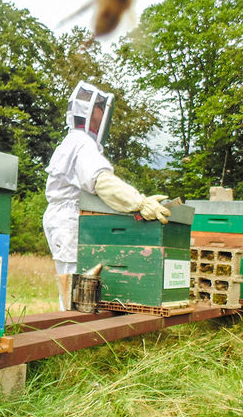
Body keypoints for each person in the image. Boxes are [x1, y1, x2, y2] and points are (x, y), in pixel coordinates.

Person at [42, 80, 171, 310]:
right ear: (91, 112)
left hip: (67, 218)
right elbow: (102, 182)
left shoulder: (74, 142)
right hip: (68, 220)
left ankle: (74, 331)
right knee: (75, 285)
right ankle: (71, 333)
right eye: (101, 110)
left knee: (75, 284)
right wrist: (139, 202)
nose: (104, 117)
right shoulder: (81, 143)